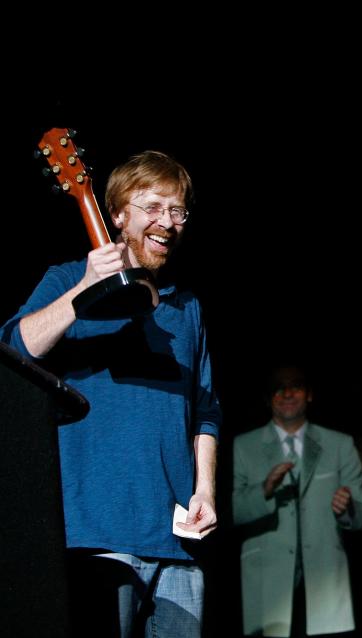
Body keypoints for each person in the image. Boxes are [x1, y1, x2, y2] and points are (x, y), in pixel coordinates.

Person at [1, 150, 221, 637]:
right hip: (97, 536)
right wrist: (84, 290)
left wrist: (204, 488)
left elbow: (205, 412)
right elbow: (16, 347)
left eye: (178, 210)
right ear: (117, 214)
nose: (167, 221)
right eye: (153, 207)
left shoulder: (188, 307)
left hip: (176, 541)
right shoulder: (66, 279)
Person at [232, 364, 362, 637]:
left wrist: (349, 509)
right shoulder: (244, 446)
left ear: (309, 394)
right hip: (268, 582)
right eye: (278, 388)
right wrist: (264, 490)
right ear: (267, 398)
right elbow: (229, 511)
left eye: (295, 386)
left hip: (323, 581)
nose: (287, 393)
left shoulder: (339, 444)